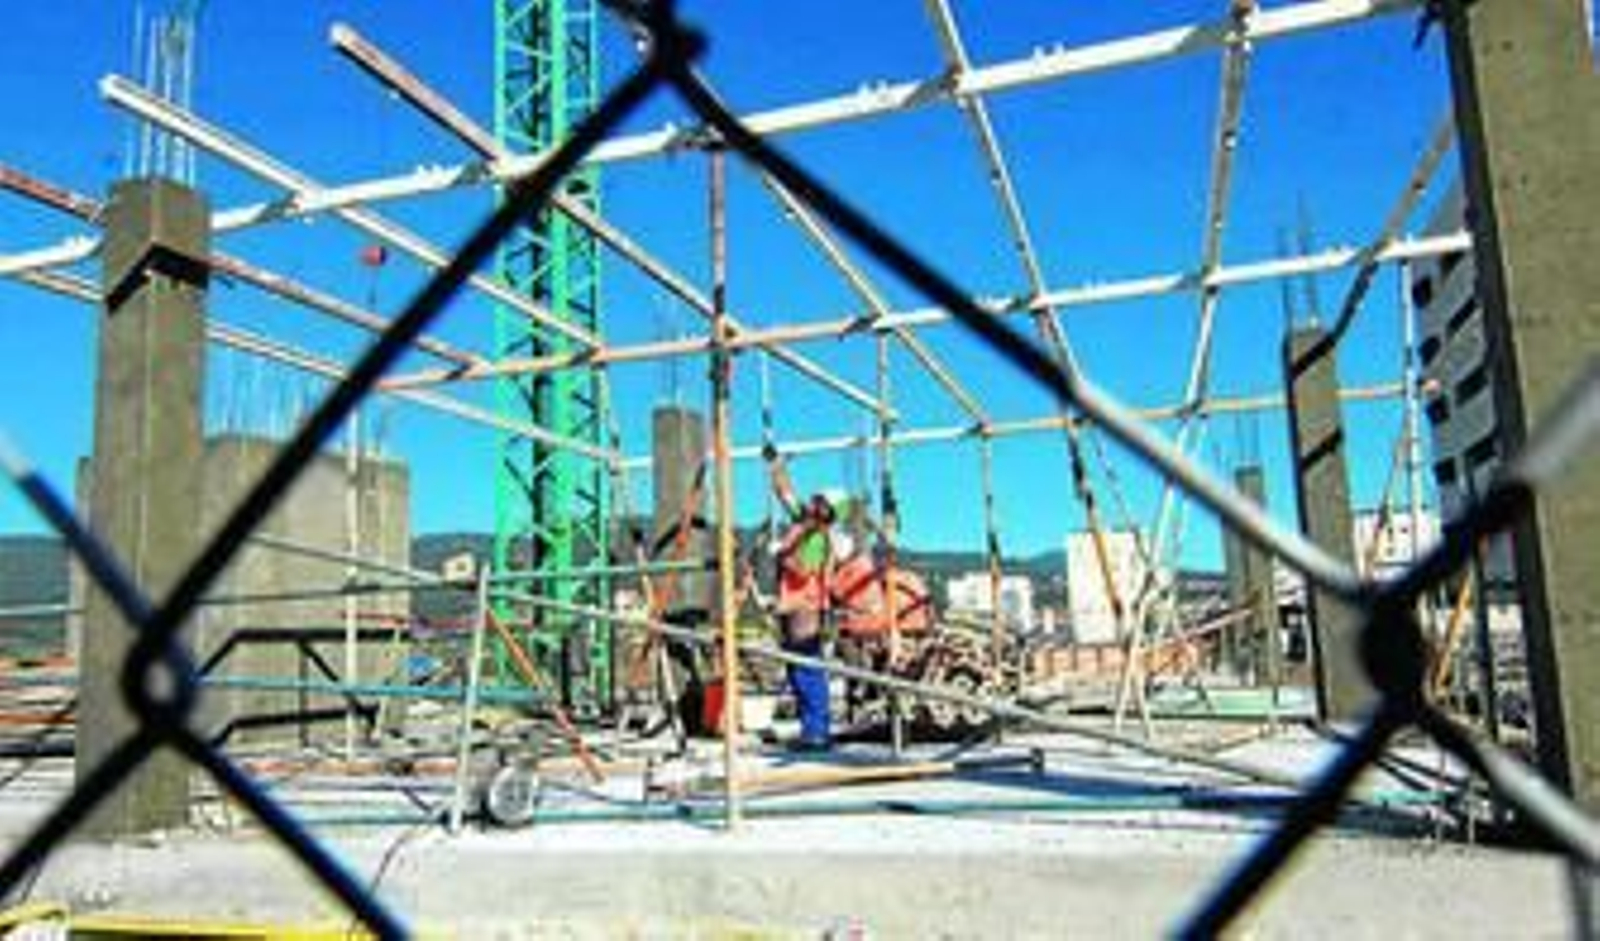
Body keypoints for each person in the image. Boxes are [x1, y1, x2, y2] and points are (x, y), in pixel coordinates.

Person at [762, 443, 849, 752]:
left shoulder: (816, 537)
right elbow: (784, 492)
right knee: (797, 668)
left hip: (805, 608)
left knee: (807, 668)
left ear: (826, 511)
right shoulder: (804, 524)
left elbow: (800, 571)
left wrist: (782, 554)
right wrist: (777, 464)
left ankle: (816, 731)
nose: (811, 505)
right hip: (794, 605)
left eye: (818, 504)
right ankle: (811, 729)